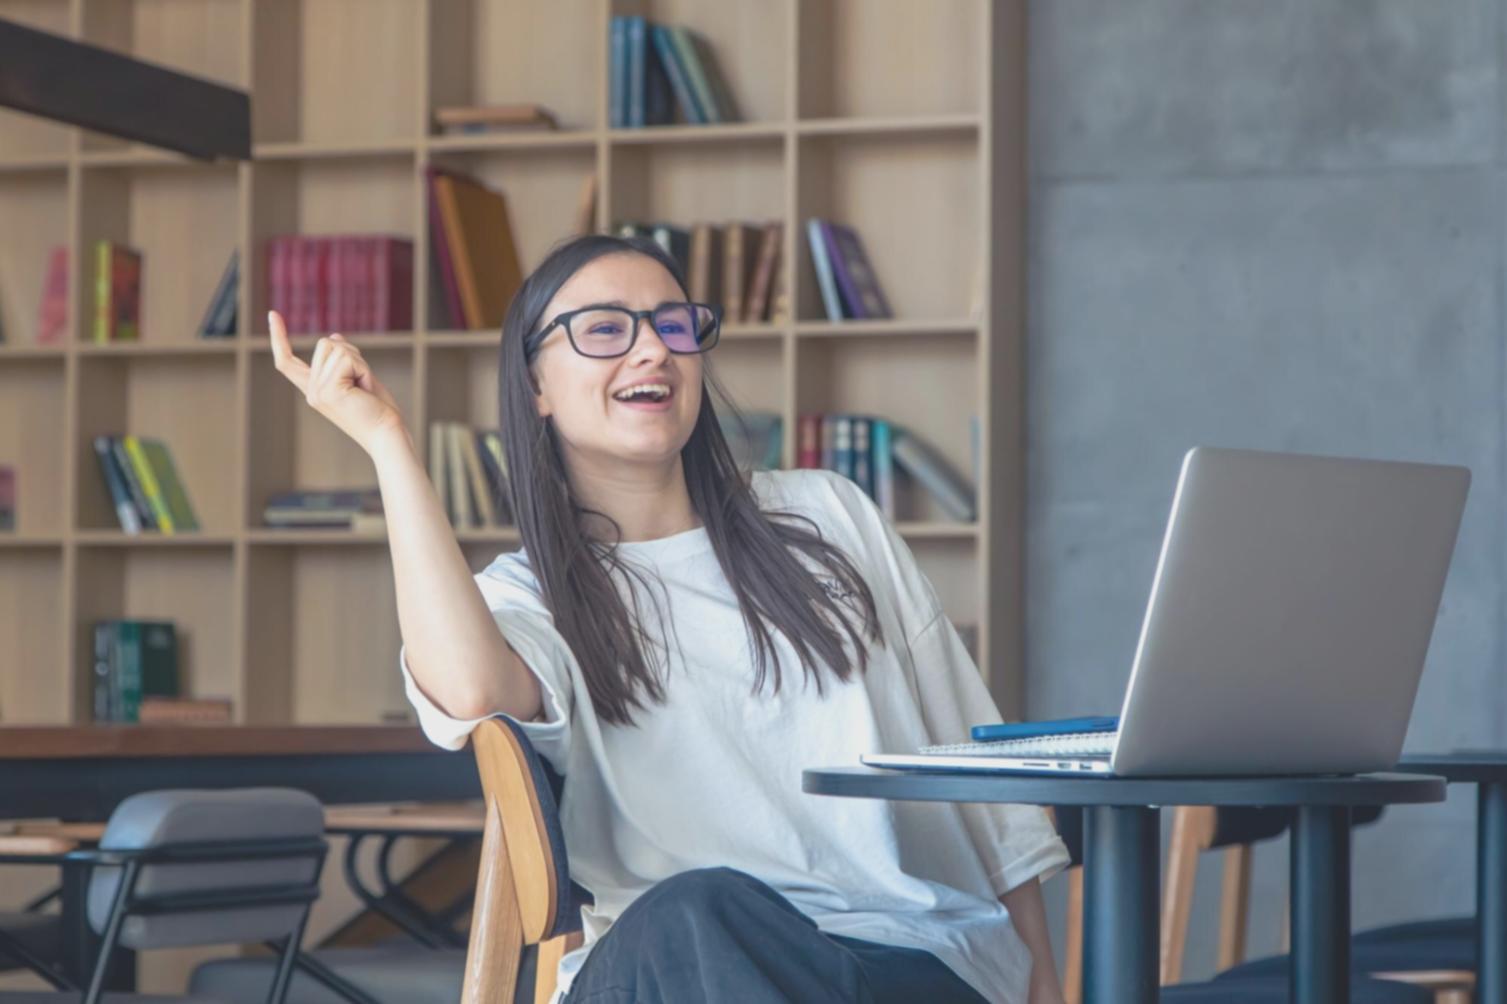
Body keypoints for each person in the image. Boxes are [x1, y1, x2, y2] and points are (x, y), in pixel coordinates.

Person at [267, 234, 1069, 1004]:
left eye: (673, 325)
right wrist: (387, 445)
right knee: (699, 915)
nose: (651, 349)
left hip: (896, 962)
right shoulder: (530, 596)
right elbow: (475, 690)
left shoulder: (829, 518)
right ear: (536, 387)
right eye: (605, 329)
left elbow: (976, 775)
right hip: (665, 966)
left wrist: (1043, 979)